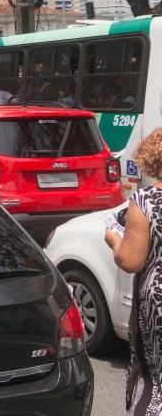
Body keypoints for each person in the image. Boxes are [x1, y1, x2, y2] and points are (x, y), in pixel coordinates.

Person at [105, 128, 162, 415]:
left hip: (158, 302)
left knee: (156, 383)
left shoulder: (147, 200)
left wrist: (115, 240)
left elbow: (130, 261)